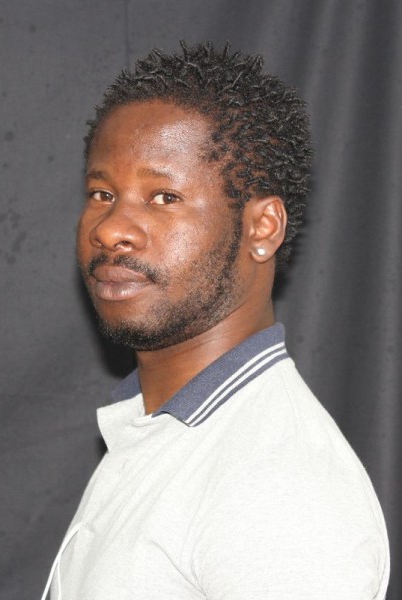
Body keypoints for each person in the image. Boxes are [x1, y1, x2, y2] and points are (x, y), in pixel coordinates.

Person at [41, 42, 389, 599]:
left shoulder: (279, 488)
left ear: (262, 228)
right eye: (102, 193)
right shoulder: (168, 430)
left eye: (164, 197)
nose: (110, 229)